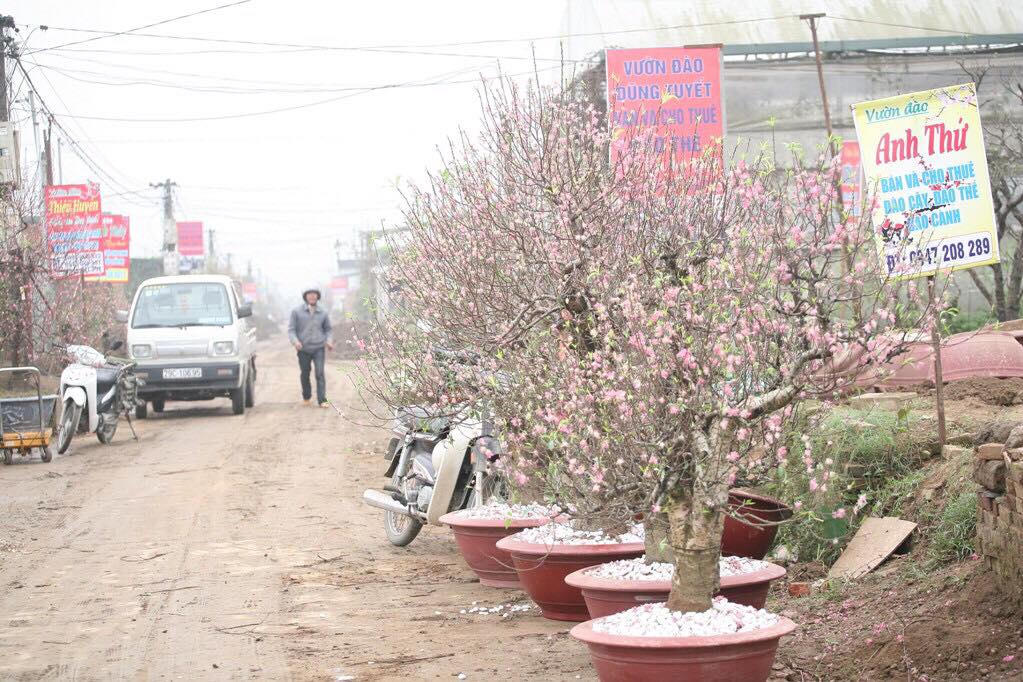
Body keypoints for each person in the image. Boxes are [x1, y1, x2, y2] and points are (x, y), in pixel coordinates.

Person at [287, 288, 334, 407]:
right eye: (310, 295)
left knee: (319, 373)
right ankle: (306, 397)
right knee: (305, 372)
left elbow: (328, 329)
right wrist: (295, 342)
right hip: (303, 348)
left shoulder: (323, 312)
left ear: (318, 297)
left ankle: (322, 400)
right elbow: (291, 330)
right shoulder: (296, 312)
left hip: (319, 347)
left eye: (314, 295)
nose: (312, 297)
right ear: (305, 297)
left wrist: (329, 341)